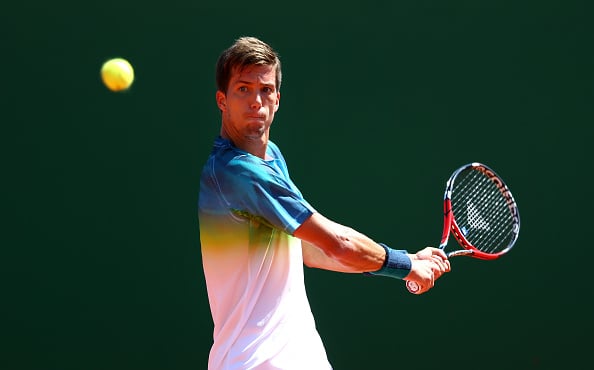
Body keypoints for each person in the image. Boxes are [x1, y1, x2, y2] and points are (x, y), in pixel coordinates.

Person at [198, 36, 451, 370]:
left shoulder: (270, 157)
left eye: (265, 89)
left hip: (295, 356)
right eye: (243, 89)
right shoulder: (238, 174)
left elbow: (311, 250)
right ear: (222, 100)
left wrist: (406, 262)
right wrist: (404, 265)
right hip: (257, 363)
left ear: (277, 99)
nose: (256, 101)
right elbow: (338, 243)